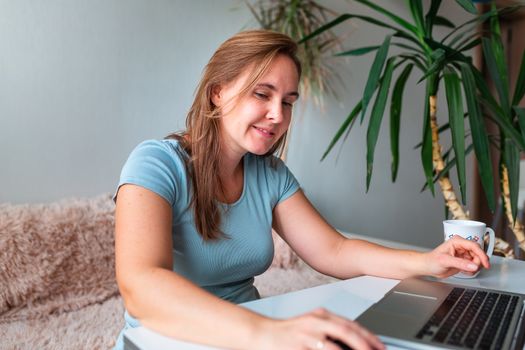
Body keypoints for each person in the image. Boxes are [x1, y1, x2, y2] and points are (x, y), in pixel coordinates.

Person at [113, 30, 490, 350]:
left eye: (288, 102)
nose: (278, 115)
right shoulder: (156, 163)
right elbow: (141, 285)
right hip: (169, 337)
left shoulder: (270, 174)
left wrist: (429, 262)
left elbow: (335, 251)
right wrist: (268, 332)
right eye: (262, 95)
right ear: (217, 92)